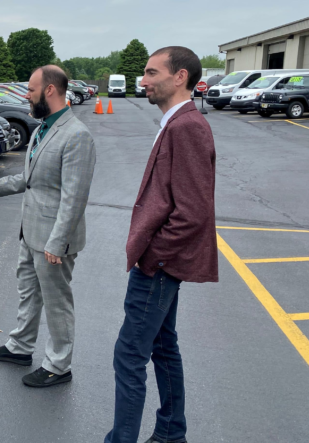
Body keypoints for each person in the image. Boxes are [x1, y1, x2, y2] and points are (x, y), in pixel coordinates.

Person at [104, 47, 217, 443]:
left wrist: (153, 260)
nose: (144, 80)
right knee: (163, 347)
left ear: (179, 76)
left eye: (152, 73)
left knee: (129, 355)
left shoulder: (186, 127)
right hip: (161, 264)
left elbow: (192, 212)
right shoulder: (177, 121)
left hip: (159, 266)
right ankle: (171, 432)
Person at [0, 65, 96, 388]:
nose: (26, 95)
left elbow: (74, 198)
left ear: (49, 91)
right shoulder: (42, 129)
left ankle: (58, 364)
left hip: (54, 241)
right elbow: (30, 180)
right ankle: (20, 347)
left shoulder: (76, 135)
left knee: (57, 301)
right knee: (28, 293)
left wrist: (57, 242)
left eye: (31, 89)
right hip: (31, 232)